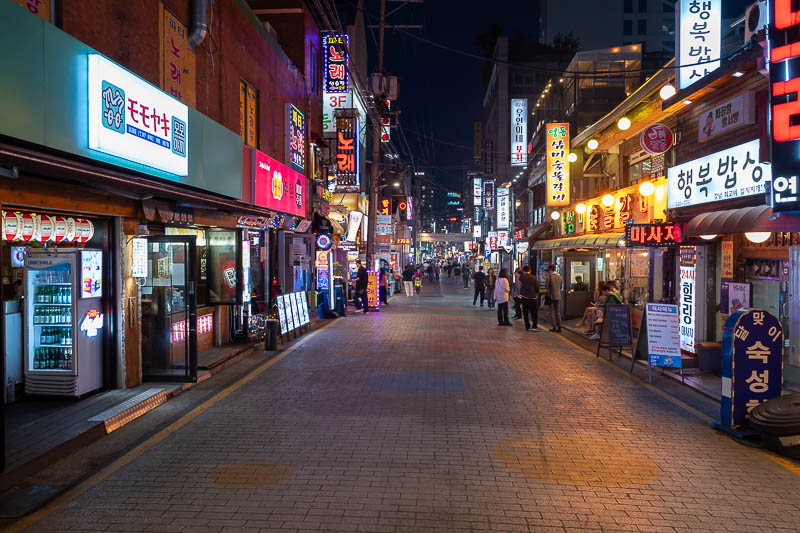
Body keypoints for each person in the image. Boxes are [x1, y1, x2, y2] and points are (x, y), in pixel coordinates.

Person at [519, 266, 540, 331]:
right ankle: (534, 326)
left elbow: (520, 287)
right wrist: (536, 292)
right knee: (534, 313)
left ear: (523, 271)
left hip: (524, 297)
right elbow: (537, 288)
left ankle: (527, 326)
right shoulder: (534, 278)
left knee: (525, 313)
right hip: (532, 297)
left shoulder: (521, 278)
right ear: (530, 270)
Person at [546, 264, 563, 332]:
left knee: (551, 312)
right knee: (558, 312)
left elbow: (547, 286)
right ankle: (559, 326)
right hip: (558, 296)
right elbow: (561, 287)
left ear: (550, 270)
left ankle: (554, 326)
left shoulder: (550, 277)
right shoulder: (560, 277)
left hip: (551, 296)